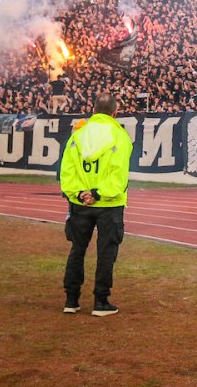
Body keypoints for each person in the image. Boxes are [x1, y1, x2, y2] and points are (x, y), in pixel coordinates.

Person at [59, 93, 134, 317]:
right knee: (106, 253)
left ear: (93, 110)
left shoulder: (77, 135)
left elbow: (67, 171)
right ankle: (101, 301)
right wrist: (98, 193)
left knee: (77, 250)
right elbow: (119, 175)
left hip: (79, 203)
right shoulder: (120, 137)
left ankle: (71, 300)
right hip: (109, 204)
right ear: (114, 113)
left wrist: (80, 194)